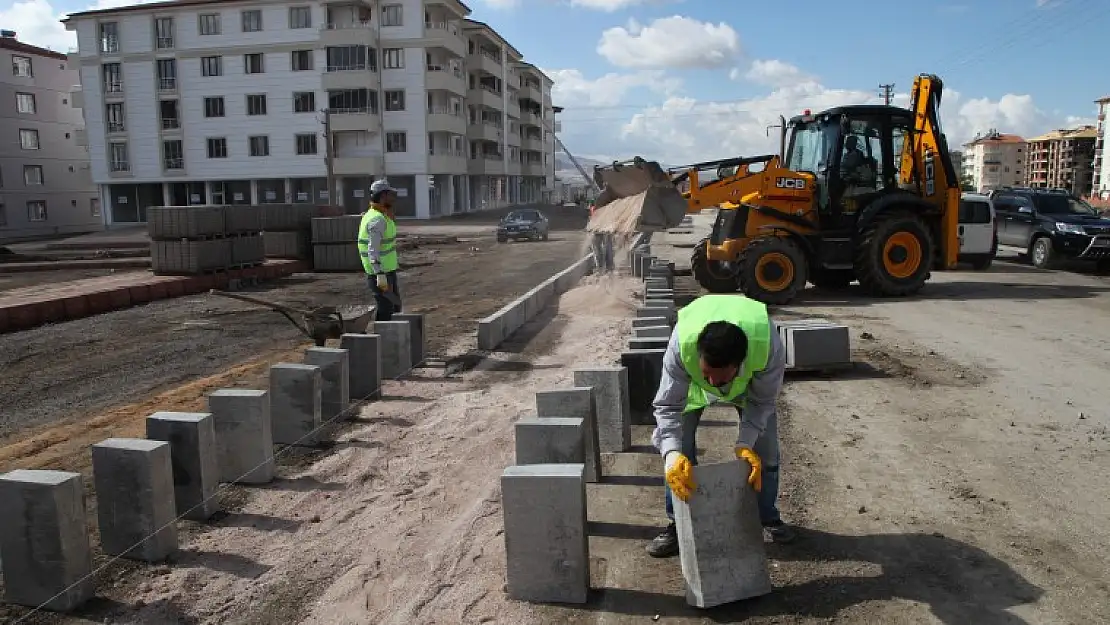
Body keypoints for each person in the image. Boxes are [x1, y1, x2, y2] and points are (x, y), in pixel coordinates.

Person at [646, 293, 796, 559]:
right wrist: (670, 453)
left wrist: (745, 443)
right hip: (691, 390)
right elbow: (667, 406)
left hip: (746, 388)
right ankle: (677, 523)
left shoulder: (767, 344)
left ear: (739, 363)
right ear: (699, 356)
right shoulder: (682, 343)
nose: (714, 383)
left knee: (767, 454)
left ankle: (767, 518)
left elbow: (762, 403)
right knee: (680, 456)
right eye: (708, 375)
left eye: (721, 377)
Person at [358, 179, 402, 321]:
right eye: (390, 195)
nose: (393, 198)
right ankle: (382, 339)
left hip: (387, 271)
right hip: (380, 273)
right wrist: (379, 274)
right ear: (383, 196)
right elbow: (373, 249)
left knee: (394, 307)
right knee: (386, 310)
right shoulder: (377, 220)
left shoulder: (380, 215)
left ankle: (391, 339)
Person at [587, 201, 615, 273]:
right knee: (607, 247)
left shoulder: (594, 209)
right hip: (605, 229)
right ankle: (609, 265)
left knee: (598, 248)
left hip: (599, 230)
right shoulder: (606, 209)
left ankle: (601, 266)